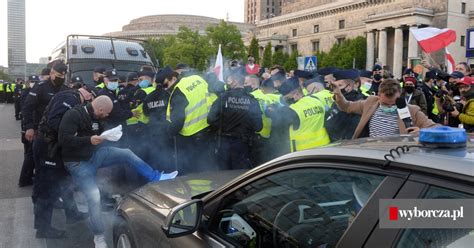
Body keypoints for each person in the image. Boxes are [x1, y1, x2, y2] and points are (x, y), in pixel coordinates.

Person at [59, 95, 177, 248]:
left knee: (126, 153)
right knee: (94, 196)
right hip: (78, 163)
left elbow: (98, 135)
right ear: (100, 109)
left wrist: (108, 136)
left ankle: (156, 176)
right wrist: (89, 140)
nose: (107, 116)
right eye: (106, 113)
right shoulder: (73, 115)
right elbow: (63, 140)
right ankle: (99, 236)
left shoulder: (98, 116)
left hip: (94, 155)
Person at [32, 87, 93, 239]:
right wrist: (71, 134)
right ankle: (43, 229)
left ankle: (72, 214)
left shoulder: (72, 99)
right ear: (85, 93)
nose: (90, 102)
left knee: (64, 182)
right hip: (47, 146)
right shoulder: (70, 98)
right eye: (91, 98)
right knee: (47, 188)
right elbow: (54, 121)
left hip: (53, 146)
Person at [332, 78, 436, 139]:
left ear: (400, 95)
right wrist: (338, 95)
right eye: (385, 103)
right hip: (371, 154)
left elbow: (436, 128)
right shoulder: (370, 102)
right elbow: (347, 107)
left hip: (395, 157)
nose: (389, 107)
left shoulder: (411, 110)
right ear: (379, 95)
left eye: (393, 104)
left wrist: (421, 132)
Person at [208, 72, 262, 169]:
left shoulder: (223, 98)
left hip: (224, 144)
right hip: (243, 146)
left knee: (223, 176)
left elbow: (210, 119)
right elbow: (258, 126)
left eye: (230, 80)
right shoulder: (252, 100)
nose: (229, 82)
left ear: (235, 81)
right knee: (240, 177)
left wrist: (223, 125)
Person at [166, 69, 217, 174]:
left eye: (166, 83)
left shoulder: (179, 90)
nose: (166, 87)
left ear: (174, 79)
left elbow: (178, 120)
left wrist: (169, 133)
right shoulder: (198, 79)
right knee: (206, 166)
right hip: (208, 128)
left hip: (190, 137)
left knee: (191, 170)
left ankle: (194, 189)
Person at [267, 77, 330, 152]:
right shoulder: (317, 101)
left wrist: (270, 109)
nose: (286, 101)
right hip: (324, 147)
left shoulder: (295, 109)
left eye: (287, 98)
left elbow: (277, 117)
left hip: (303, 153)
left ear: (296, 93)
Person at [143, 67, 177, 171]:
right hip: (166, 132)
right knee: (167, 159)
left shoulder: (148, 97)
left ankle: (156, 178)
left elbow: (146, 112)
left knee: (155, 157)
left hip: (152, 132)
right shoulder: (169, 95)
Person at [325, 70, 365, 141]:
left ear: (353, 85)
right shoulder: (336, 101)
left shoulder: (361, 102)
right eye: (336, 86)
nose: (337, 89)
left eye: (340, 85)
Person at [18, 75, 40, 187]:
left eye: (36, 81)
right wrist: (29, 127)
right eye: (32, 81)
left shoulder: (38, 91)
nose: (34, 83)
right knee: (29, 153)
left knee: (31, 153)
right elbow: (25, 108)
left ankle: (29, 176)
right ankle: (25, 178)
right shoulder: (26, 92)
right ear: (28, 82)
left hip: (34, 125)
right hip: (28, 126)